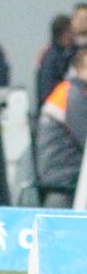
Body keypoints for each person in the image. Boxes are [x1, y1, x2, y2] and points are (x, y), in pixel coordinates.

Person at [35, 48, 87, 208]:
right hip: (66, 177)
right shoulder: (75, 95)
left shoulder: (66, 90)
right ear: (80, 68)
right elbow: (84, 139)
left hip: (55, 173)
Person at [35, 15, 74, 110]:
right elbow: (47, 90)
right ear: (64, 33)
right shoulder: (52, 58)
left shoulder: (58, 54)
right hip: (54, 109)